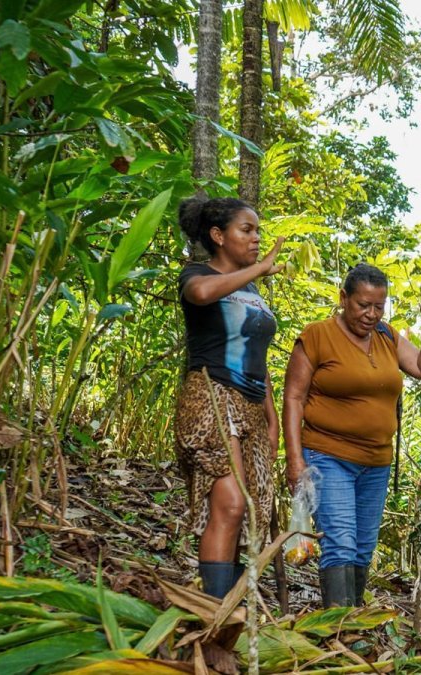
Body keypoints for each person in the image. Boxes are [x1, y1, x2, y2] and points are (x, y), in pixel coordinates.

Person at [283, 264, 421, 607]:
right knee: (340, 543)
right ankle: (338, 624)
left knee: (363, 547)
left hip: (376, 463)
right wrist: (294, 459)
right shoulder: (317, 336)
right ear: (344, 298)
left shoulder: (386, 336)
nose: (371, 314)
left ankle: (351, 620)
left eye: (378, 306)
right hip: (328, 455)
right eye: (363, 305)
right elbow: (293, 398)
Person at [174, 197, 283, 598]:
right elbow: (201, 294)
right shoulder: (198, 273)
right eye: (247, 230)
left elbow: (258, 355)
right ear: (218, 236)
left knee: (249, 509)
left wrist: (271, 418)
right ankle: (215, 610)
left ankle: (230, 607)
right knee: (231, 503)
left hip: (251, 405)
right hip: (213, 397)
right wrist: (259, 268)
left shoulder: (251, 289)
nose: (256, 238)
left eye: (258, 231)